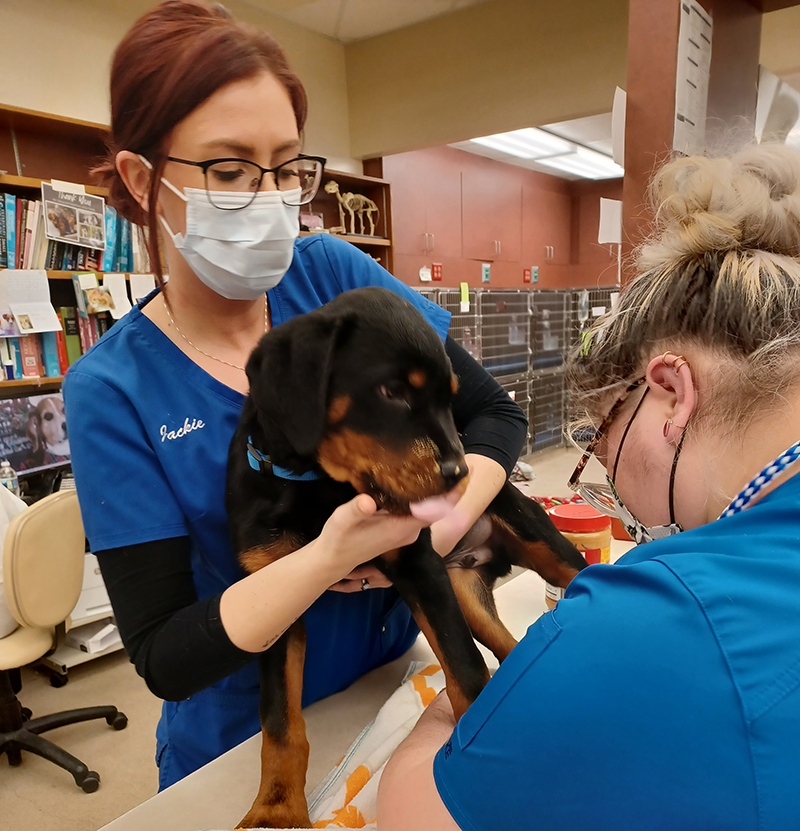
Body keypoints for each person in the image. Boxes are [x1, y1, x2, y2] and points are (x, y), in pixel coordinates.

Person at [62, 0, 527, 790]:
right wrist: (329, 557)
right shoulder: (110, 388)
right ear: (144, 180)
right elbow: (166, 656)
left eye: (287, 167)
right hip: (246, 747)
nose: (271, 195)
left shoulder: (332, 275)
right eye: (231, 170)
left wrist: (433, 524)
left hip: (396, 688)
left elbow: (493, 416)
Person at [378, 143, 800, 830]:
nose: (605, 476)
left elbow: (416, 813)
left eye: (600, 437)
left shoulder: (668, 614)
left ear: (669, 393)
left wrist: (443, 720)